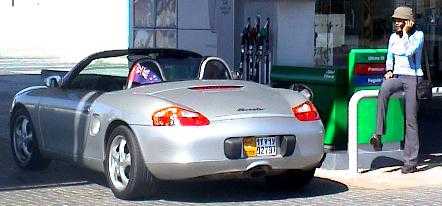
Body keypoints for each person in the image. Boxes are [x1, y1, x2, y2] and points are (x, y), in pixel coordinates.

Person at [370, 6, 424, 174]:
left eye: (400, 20)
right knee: (384, 89)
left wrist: (407, 33)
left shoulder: (418, 36)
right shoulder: (393, 37)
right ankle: (378, 135)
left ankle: (410, 162)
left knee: (411, 120)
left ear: (409, 22)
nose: (396, 23)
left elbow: (409, 52)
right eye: (395, 20)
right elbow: (390, 56)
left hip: (413, 78)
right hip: (398, 76)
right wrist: (388, 70)